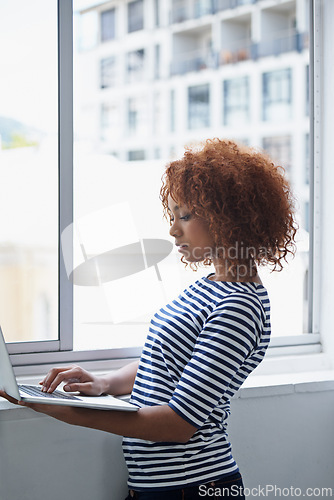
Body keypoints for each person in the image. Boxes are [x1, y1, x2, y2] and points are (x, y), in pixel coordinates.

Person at [0, 139, 297, 499]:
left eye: (185, 216)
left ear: (228, 217)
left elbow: (176, 425)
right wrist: (103, 383)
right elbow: (163, 362)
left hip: (192, 487)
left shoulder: (238, 308)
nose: (173, 230)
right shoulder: (208, 287)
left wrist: (52, 406)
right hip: (159, 487)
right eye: (172, 217)